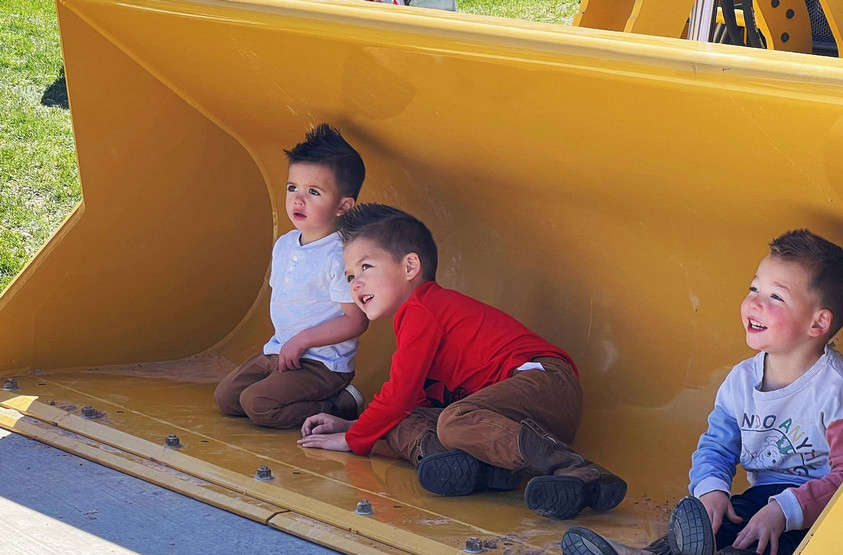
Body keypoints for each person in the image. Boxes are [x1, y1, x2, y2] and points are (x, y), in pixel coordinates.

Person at [562, 229, 843, 555]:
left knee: (764, 549)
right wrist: (712, 490)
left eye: (775, 297)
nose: (754, 303)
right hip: (759, 500)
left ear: (818, 323)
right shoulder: (742, 380)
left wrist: (785, 511)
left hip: (817, 519)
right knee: (711, 527)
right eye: (754, 288)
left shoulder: (839, 391)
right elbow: (717, 445)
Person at [297, 203, 627, 519]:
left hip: (543, 383)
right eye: (350, 275)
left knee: (453, 419)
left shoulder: (423, 308)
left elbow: (397, 394)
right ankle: (473, 466)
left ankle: (576, 468)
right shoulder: (413, 319)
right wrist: (356, 426)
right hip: (506, 419)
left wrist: (352, 439)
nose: (356, 283)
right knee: (408, 422)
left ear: (410, 266)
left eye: (365, 267)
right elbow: (406, 406)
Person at [214, 125, 369, 429]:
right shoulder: (285, 243)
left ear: (343, 206)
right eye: (292, 188)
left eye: (313, 192)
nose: (298, 200)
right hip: (279, 350)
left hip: (322, 364)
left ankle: (340, 404)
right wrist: (288, 345)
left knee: (258, 405)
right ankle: (282, 387)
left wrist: (302, 341)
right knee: (227, 398)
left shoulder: (340, 255)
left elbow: (356, 320)